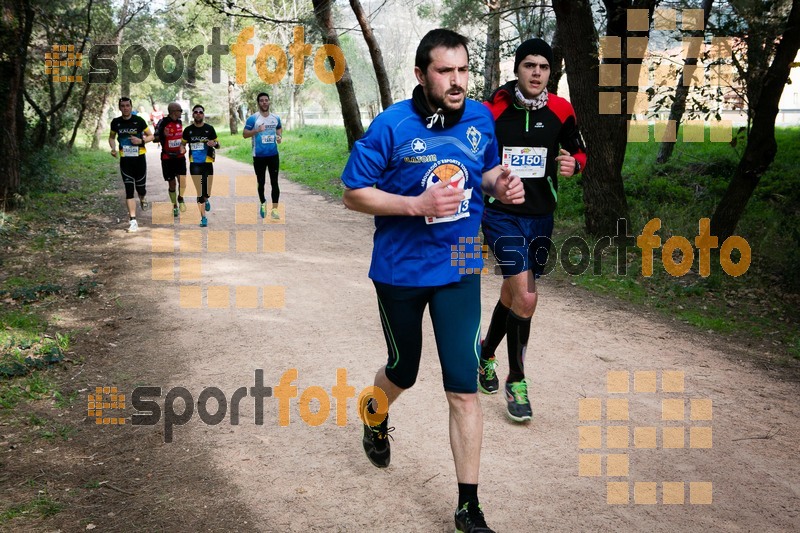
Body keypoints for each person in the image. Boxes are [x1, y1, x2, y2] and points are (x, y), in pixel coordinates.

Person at [341, 29, 524, 533]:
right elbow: (353, 192)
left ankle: (469, 505)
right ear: (421, 75)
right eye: (446, 71)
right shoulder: (392, 126)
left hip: (462, 262)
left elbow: (484, 171)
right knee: (403, 370)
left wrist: (500, 183)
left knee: (464, 389)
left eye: (463, 70)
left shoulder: (482, 118)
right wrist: (414, 206)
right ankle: (373, 412)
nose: (457, 80)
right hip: (400, 269)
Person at [478, 38, 587, 423]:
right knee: (526, 297)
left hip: (541, 215)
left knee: (512, 293)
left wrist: (576, 163)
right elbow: (473, 155)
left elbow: (579, 149)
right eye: (529, 65)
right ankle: (517, 381)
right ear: (518, 69)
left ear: (550, 71)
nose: (536, 72)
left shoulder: (562, 109)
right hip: (500, 214)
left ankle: (485, 353)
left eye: (543, 66)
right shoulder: (494, 108)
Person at [109, 96, 154, 233]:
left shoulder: (139, 121)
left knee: (140, 189)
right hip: (125, 161)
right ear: (119, 107)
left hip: (139, 159)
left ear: (131, 106)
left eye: (127, 105)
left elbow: (151, 136)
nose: (125, 108)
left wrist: (140, 141)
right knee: (129, 190)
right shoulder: (116, 122)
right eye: (122, 106)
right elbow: (111, 137)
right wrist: (113, 148)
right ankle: (133, 221)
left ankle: (143, 197)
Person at [242, 92, 282, 219]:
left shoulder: (276, 117)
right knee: (261, 182)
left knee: (275, 182)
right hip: (258, 156)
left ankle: (275, 209)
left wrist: (279, 136)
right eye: (262, 101)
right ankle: (263, 202)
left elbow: (279, 128)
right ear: (258, 103)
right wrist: (256, 130)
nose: (264, 102)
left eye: (266, 100)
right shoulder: (253, 118)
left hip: (273, 155)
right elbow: (245, 134)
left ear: (269, 102)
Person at [181, 105, 219, 228]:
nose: (198, 114)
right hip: (194, 164)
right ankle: (203, 217)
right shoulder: (188, 130)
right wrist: (182, 149)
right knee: (199, 191)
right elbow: (183, 144)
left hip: (207, 163)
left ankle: (206, 198)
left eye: (200, 112)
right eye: (196, 112)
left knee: (206, 191)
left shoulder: (210, 129)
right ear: (193, 114)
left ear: (203, 114)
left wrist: (214, 143)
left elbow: (217, 144)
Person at [153, 102, 187, 217]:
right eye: (180, 111)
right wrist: (163, 134)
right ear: (173, 111)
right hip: (167, 158)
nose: (181, 112)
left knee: (182, 182)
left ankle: (180, 197)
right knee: (172, 184)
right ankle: (174, 206)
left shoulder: (179, 122)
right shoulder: (162, 122)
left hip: (180, 157)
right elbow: (155, 138)